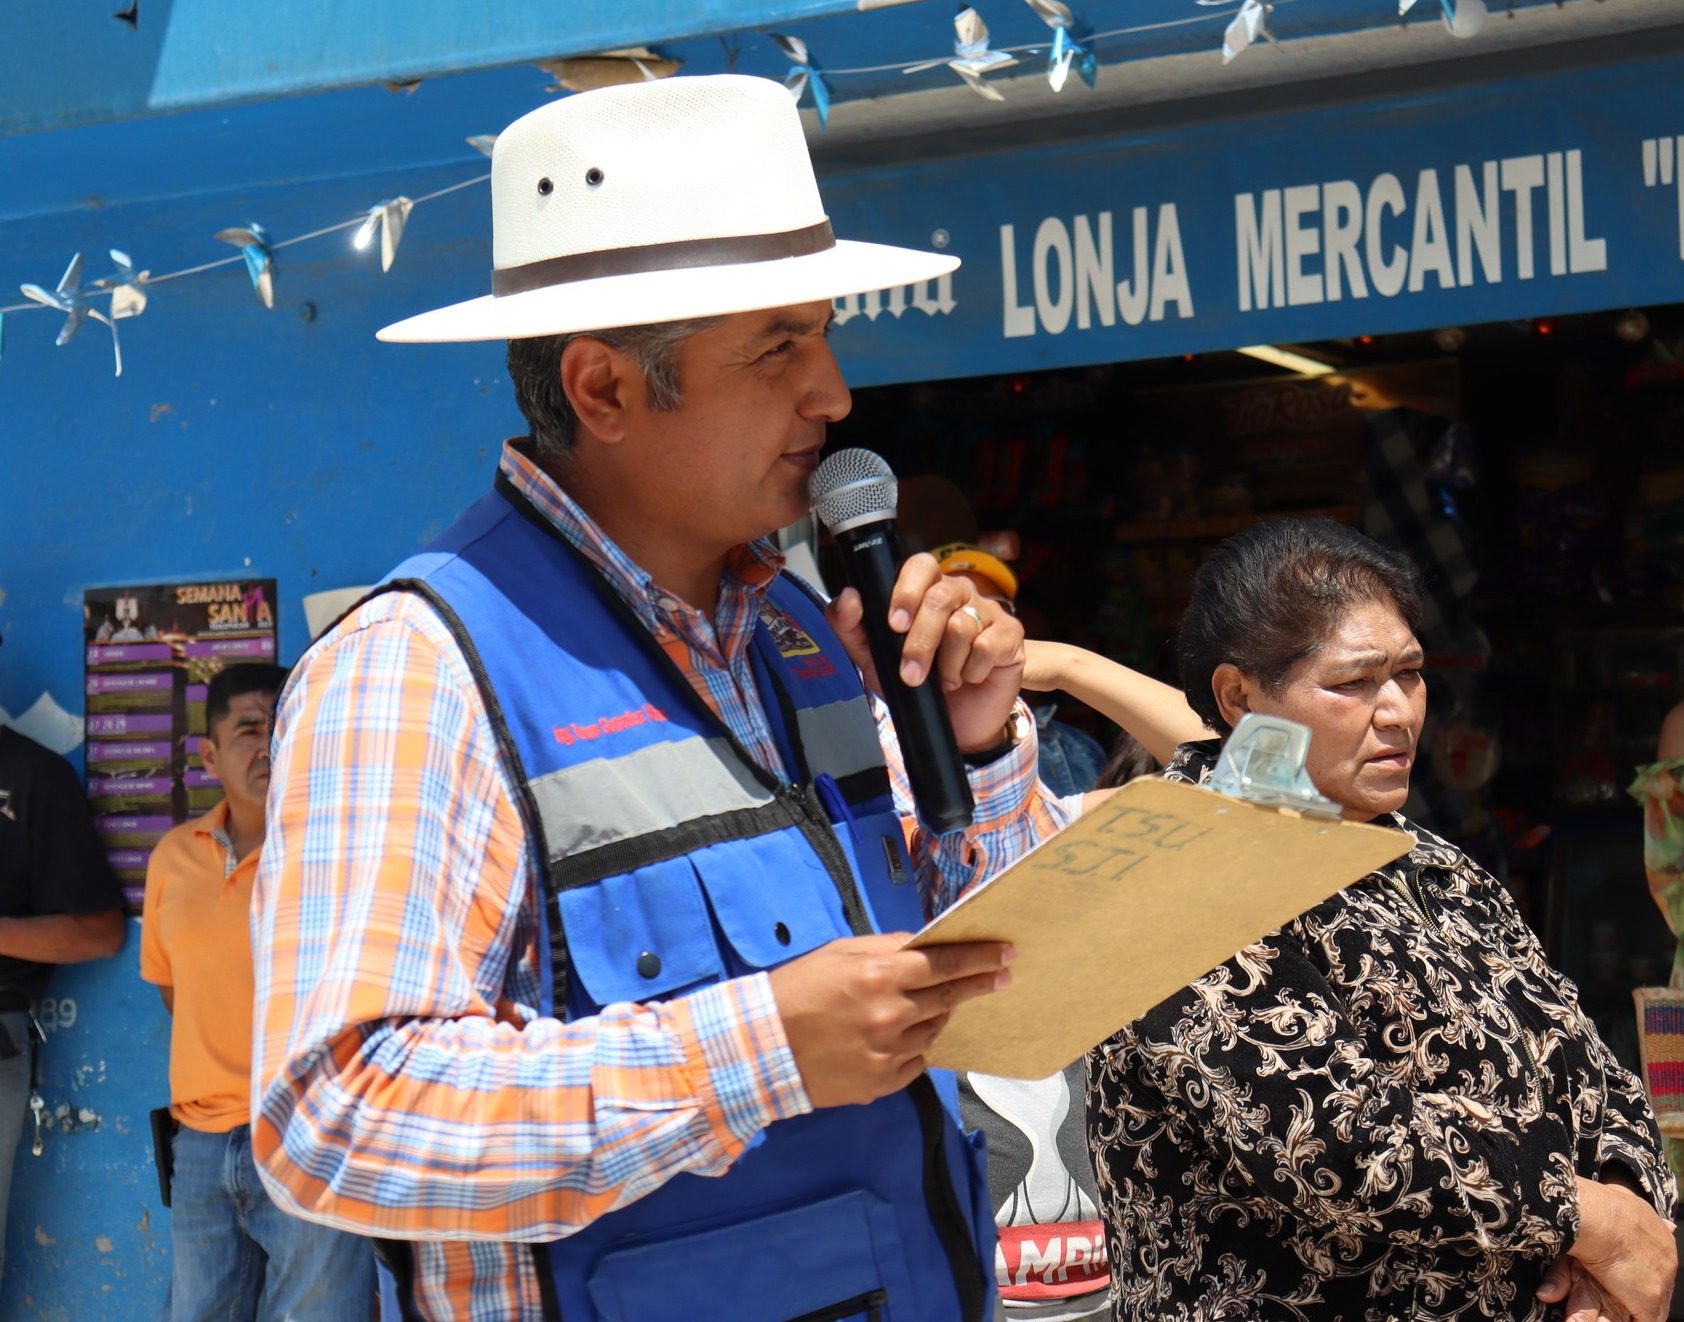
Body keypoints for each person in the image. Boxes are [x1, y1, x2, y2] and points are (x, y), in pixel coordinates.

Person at [250, 75, 1075, 1322]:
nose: (835, 393)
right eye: (776, 346)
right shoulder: (416, 669)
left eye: (825, 330)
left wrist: (976, 750)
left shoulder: (800, 629)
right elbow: (338, 1115)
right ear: (605, 391)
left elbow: (987, 978)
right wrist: (757, 1052)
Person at [1050, 518, 1676, 1320]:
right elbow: (1330, 1140)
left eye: (1409, 674)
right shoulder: (1174, 872)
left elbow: (1590, 1074)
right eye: (1353, 683)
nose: (1397, 713)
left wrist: (1624, 1231)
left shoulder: (1430, 862)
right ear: (1240, 699)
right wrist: (1588, 1217)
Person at [140, 663, 374, 1320]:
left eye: (280, 724)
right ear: (209, 754)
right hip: (201, 1145)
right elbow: (172, 990)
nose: (268, 743)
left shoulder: (340, 851)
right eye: (248, 729)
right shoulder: (172, 859)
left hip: (310, 1133)